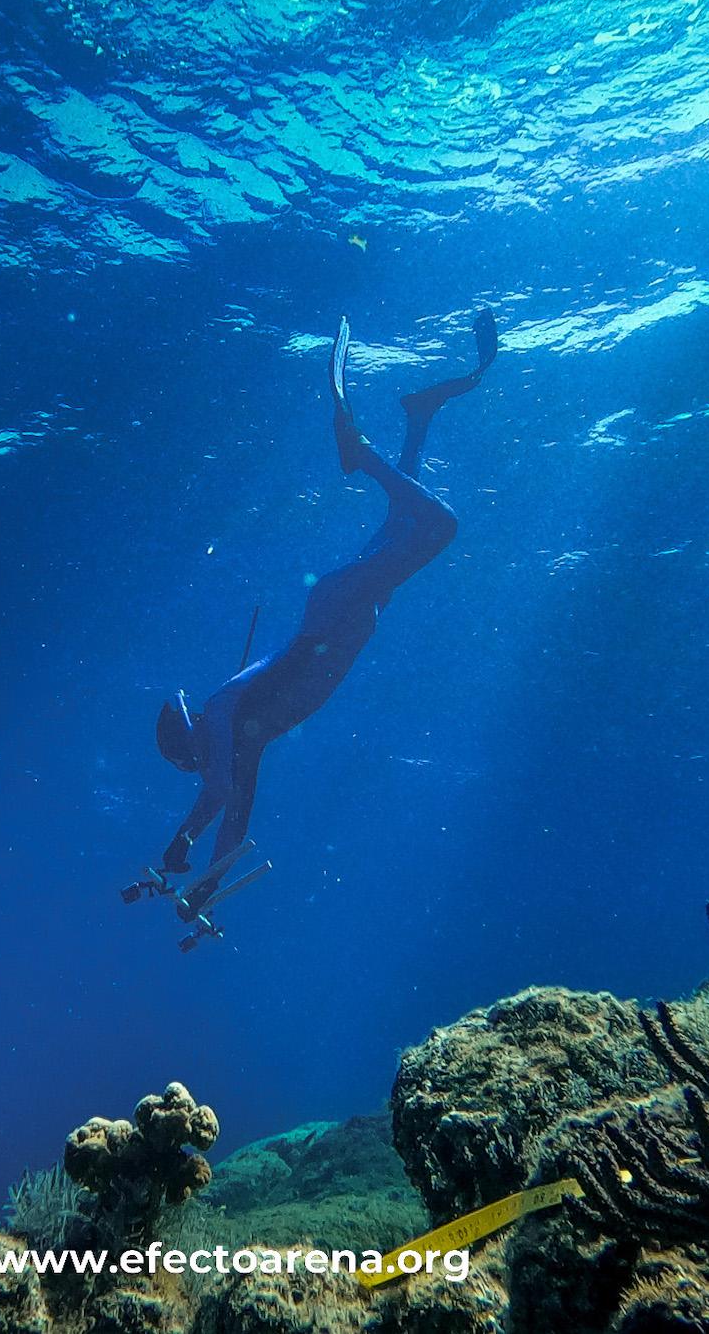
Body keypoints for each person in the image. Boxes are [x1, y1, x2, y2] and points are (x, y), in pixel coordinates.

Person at [133, 307, 498, 921]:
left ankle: (363, 453)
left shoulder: (222, 718)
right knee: (406, 522)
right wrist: (205, 888)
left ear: (188, 750)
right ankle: (418, 418)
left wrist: (182, 838)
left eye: (195, 752)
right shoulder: (242, 743)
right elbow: (236, 814)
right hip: (349, 617)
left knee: (440, 526)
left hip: (336, 613)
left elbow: (216, 794)